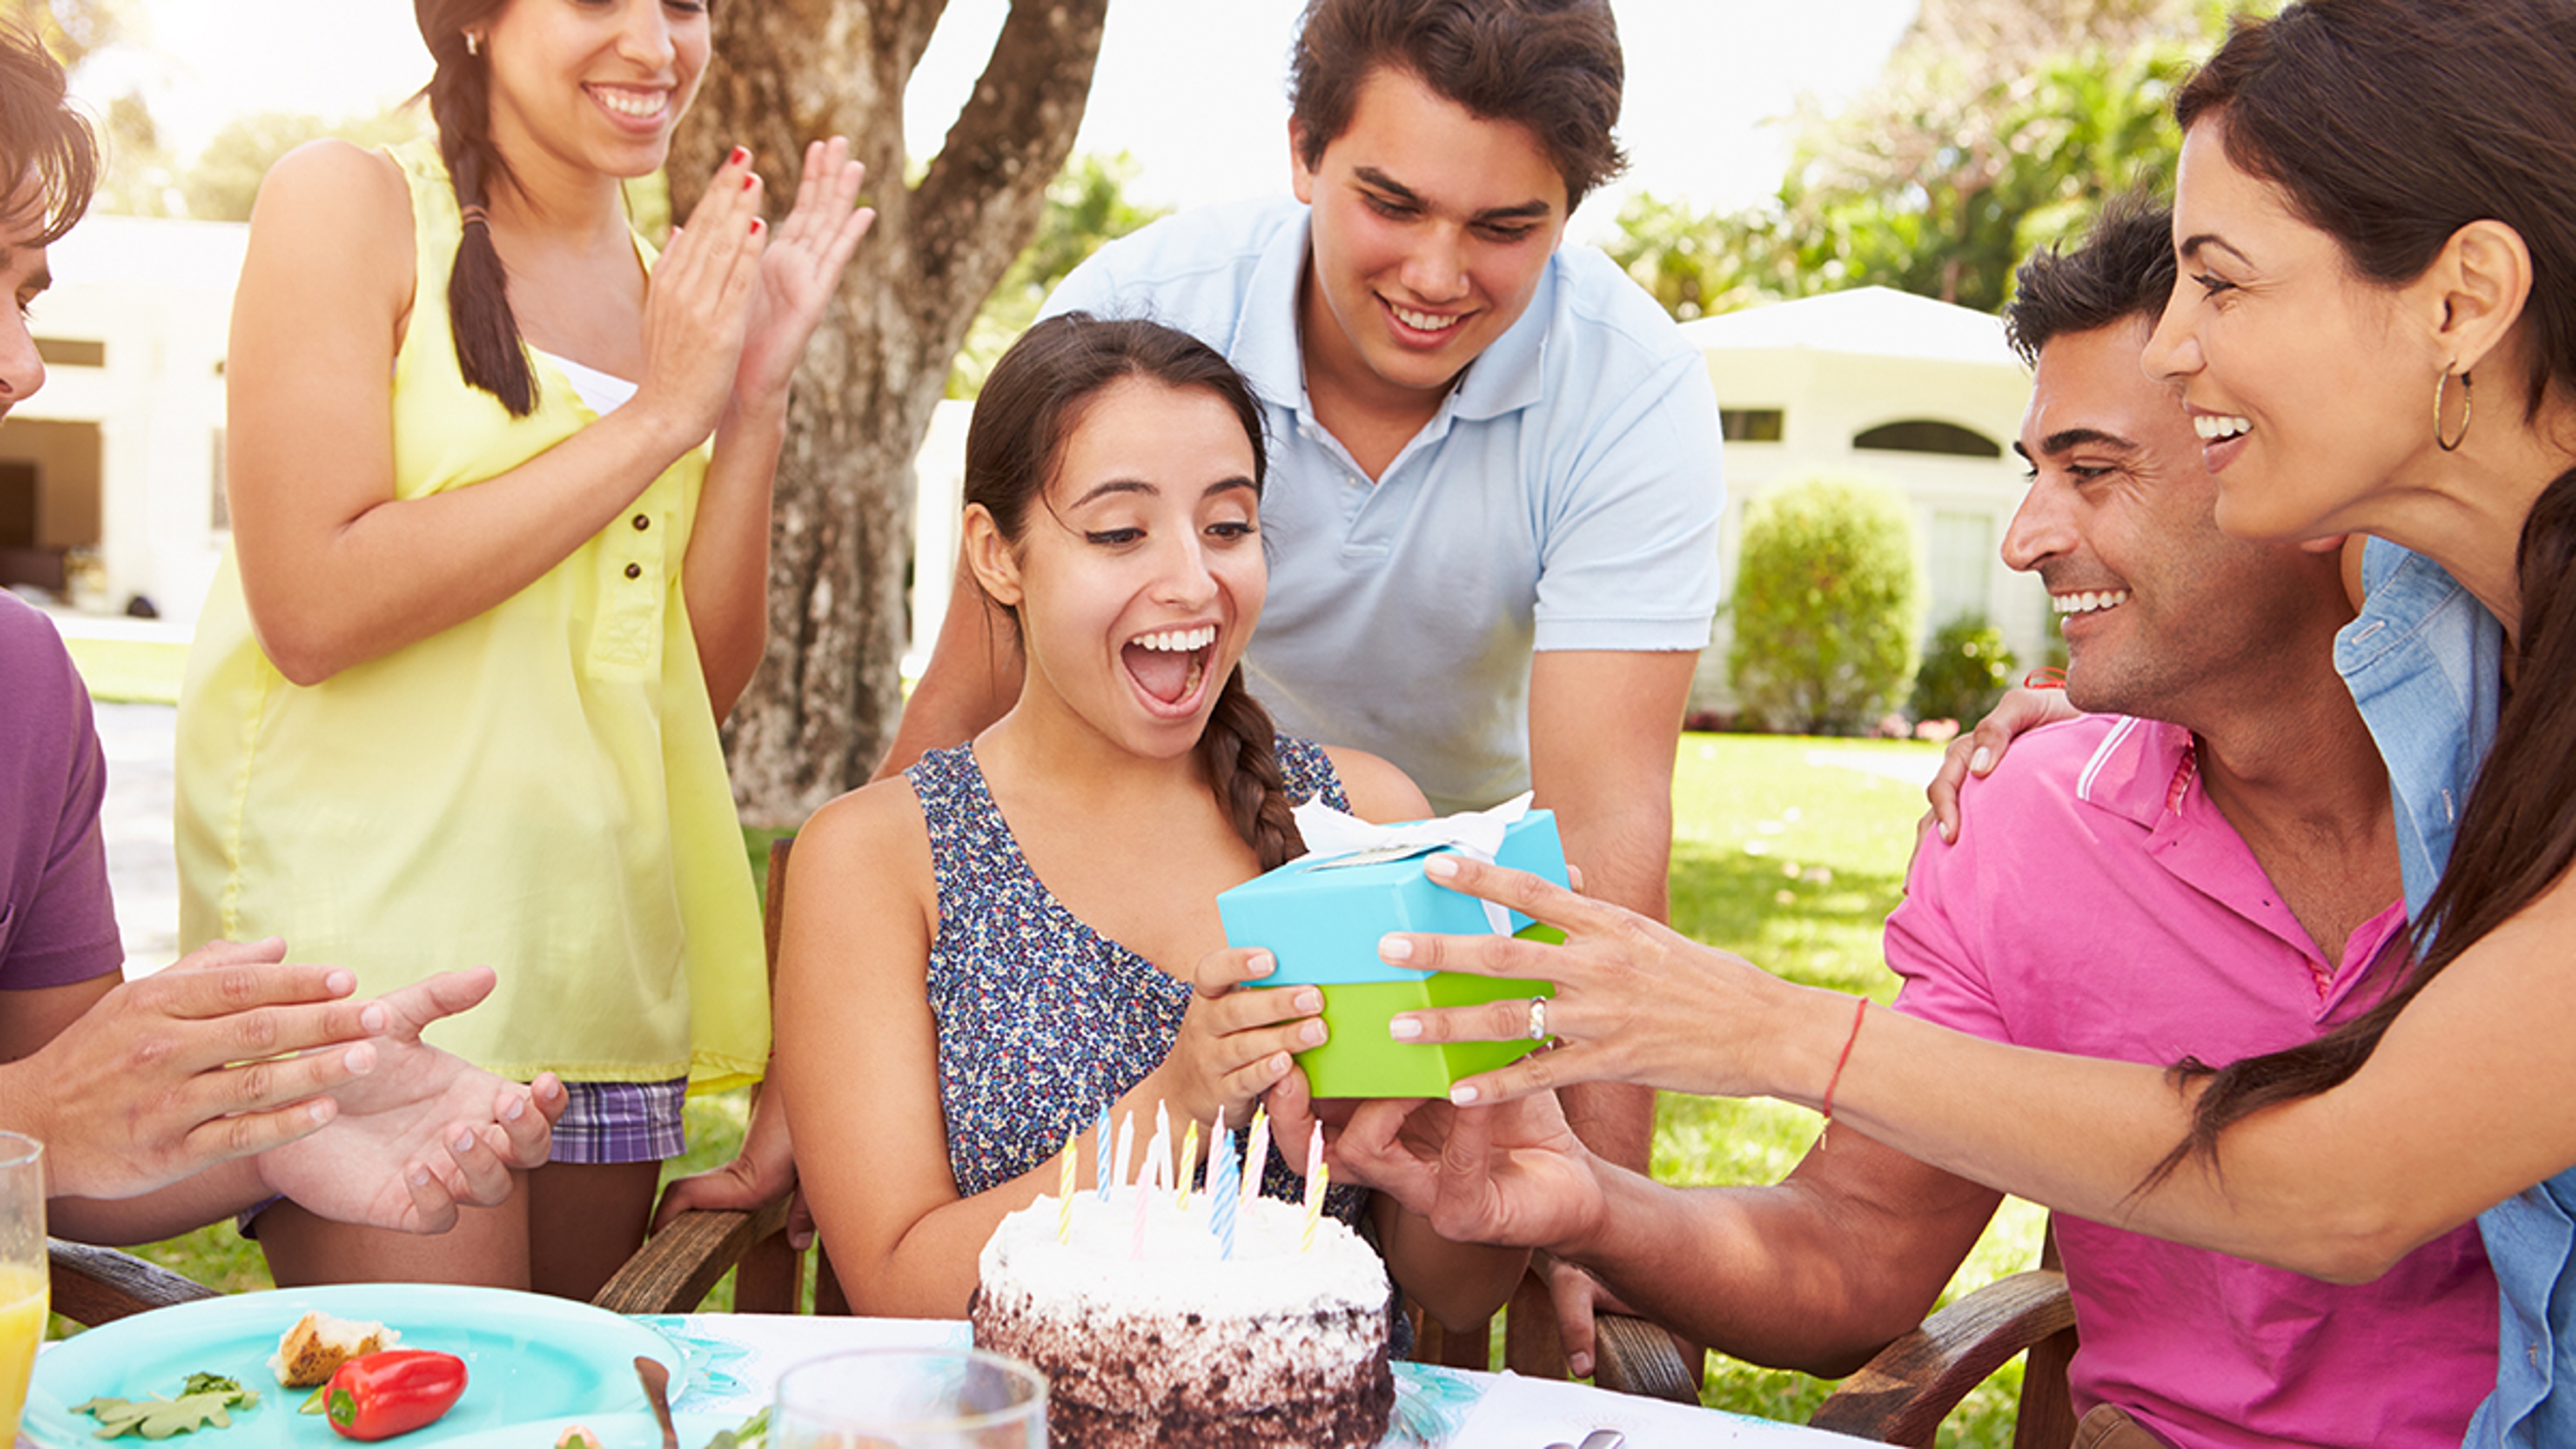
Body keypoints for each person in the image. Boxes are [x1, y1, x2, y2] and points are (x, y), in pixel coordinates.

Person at [1341, 3, 2576, 1442]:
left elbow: (2356, 1179)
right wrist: (1591, 1199)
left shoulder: (2481, 696)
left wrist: (1760, 1025)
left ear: (2466, 298)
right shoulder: (2086, 793)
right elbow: (1851, 1252)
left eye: (2222, 286)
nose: (2183, 348)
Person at [879, 0, 1727, 1182]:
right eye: (1391, 204)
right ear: (1302, 151)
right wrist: (812, 1072)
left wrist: (1605, 1210)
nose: (1436, 275)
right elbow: (976, 675)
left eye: (1503, 226)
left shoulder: (1629, 392)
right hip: (1159, 822)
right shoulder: (1146, 307)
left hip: (1432, 876)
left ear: (1568, 217)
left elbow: (1607, 817)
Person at [170, 0, 872, 1297]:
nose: (658, 48)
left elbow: (691, 684)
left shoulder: (675, 295)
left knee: (566, 1420)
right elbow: (311, 606)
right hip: (378, 974)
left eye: (684, 5)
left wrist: (752, 397)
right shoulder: (351, 203)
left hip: (599, 972)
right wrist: (661, 417)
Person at [757, 313, 1523, 1331]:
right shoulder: (877, 857)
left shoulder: (1365, 821)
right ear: (997, 555)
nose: (1193, 581)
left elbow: (1456, 1294)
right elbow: (898, 1286)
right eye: (1121, 532)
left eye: (1228, 526)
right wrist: (1178, 1101)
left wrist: (1472, 1123)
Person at [1, 20, 559, 1246]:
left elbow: (60, 1167)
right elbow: (41, 1115)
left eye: (24, 294)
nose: (22, 366)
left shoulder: (25, 685)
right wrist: (35, 1108)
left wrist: (288, 1118)